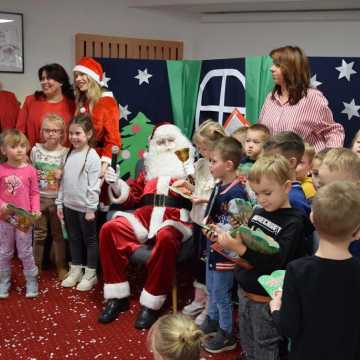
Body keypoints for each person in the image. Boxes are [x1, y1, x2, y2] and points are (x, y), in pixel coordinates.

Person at [209, 155, 309, 359]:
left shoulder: (294, 222)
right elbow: (244, 241)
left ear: (287, 186)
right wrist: (222, 235)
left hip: (267, 300)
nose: (262, 199)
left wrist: (241, 249)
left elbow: (277, 262)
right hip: (245, 291)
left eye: (267, 192)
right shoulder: (259, 212)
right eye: (256, 193)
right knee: (247, 339)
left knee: (265, 346)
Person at [98, 124, 195, 329]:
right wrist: (116, 184)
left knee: (167, 237)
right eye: (161, 142)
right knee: (109, 229)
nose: (167, 146)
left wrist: (192, 177)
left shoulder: (189, 168)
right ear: (153, 145)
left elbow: (201, 198)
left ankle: (151, 303)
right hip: (144, 218)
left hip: (174, 219)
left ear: (180, 142)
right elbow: (130, 198)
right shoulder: (148, 169)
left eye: (171, 140)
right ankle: (118, 297)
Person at [270, 181, 360, 360]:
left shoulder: (297, 270)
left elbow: (289, 327)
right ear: (357, 232)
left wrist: (276, 309)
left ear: (312, 218)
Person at [200, 136, 248, 353]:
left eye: (213, 161)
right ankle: (212, 320)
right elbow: (214, 214)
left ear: (228, 165)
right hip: (213, 249)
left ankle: (226, 332)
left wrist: (215, 229)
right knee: (211, 288)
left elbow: (237, 226)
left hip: (226, 253)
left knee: (221, 294)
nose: (210, 165)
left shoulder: (236, 192)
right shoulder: (220, 186)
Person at [180, 120, 225, 326]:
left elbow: (220, 197)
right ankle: (199, 299)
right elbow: (198, 187)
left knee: (209, 264)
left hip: (211, 224)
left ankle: (210, 305)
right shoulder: (200, 164)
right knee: (198, 261)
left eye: (204, 148)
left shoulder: (221, 167)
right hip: (198, 219)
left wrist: (204, 199)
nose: (200, 151)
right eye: (198, 147)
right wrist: (186, 187)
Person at [259, 45, 344, 152]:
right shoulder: (270, 98)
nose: (271, 69)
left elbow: (333, 131)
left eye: (277, 65)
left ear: (291, 69)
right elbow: (262, 133)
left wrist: (328, 160)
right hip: (276, 165)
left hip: (304, 166)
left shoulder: (312, 97)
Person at [55, 114, 101, 291]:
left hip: (85, 209)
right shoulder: (68, 154)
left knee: (89, 240)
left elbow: (94, 186)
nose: (73, 137)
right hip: (69, 206)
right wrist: (60, 203)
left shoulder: (92, 156)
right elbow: (63, 182)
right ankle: (76, 270)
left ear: (88, 134)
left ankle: (91, 274)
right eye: (71, 133)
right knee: (74, 239)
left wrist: (90, 208)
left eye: (78, 133)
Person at [0, 129, 41, 298]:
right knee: (4, 250)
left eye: (22, 146)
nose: (19, 150)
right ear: (3, 150)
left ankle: (31, 280)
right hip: (5, 218)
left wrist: (35, 209)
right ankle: (4, 281)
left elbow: (34, 192)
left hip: (24, 218)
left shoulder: (30, 170)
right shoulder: (1, 169)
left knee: (25, 250)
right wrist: (2, 205)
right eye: (14, 146)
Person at [30, 114, 69, 280]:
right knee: (39, 234)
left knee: (58, 234)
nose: (51, 134)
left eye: (55, 131)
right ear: (42, 132)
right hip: (39, 199)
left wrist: (63, 173)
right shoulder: (35, 150)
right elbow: (30, 174)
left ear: (62, 133)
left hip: (58, 200)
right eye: (47, 130)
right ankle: (35, 266)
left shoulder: (66, 153)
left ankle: (61, 266)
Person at [73, 57, 121, 182]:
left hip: (98, 161)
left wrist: (103, 167)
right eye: (76, 75)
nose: (78, 79)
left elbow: (113, 140)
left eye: (82, 74)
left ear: (92, 77)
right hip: (79, 159)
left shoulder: (106, 102)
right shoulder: (82, 101)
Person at [17, 63, 75, 147]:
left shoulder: (72, 105)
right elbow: (20, 130)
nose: (44, 82)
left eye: (49, 78)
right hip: (33, 156)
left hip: (63, 157)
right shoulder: (31, 100)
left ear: (61, 82)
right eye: (42, 78)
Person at [318, 148, 360, 258]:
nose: (324, 193)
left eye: (334, 188)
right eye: (321, 186)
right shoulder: (318, 205)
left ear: (357, 185)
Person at [263, 131, 311, 217]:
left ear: (291, 162)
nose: (265, 165)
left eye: (272, 160)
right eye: (265, 160)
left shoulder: (294, 200)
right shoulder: (274, 189)